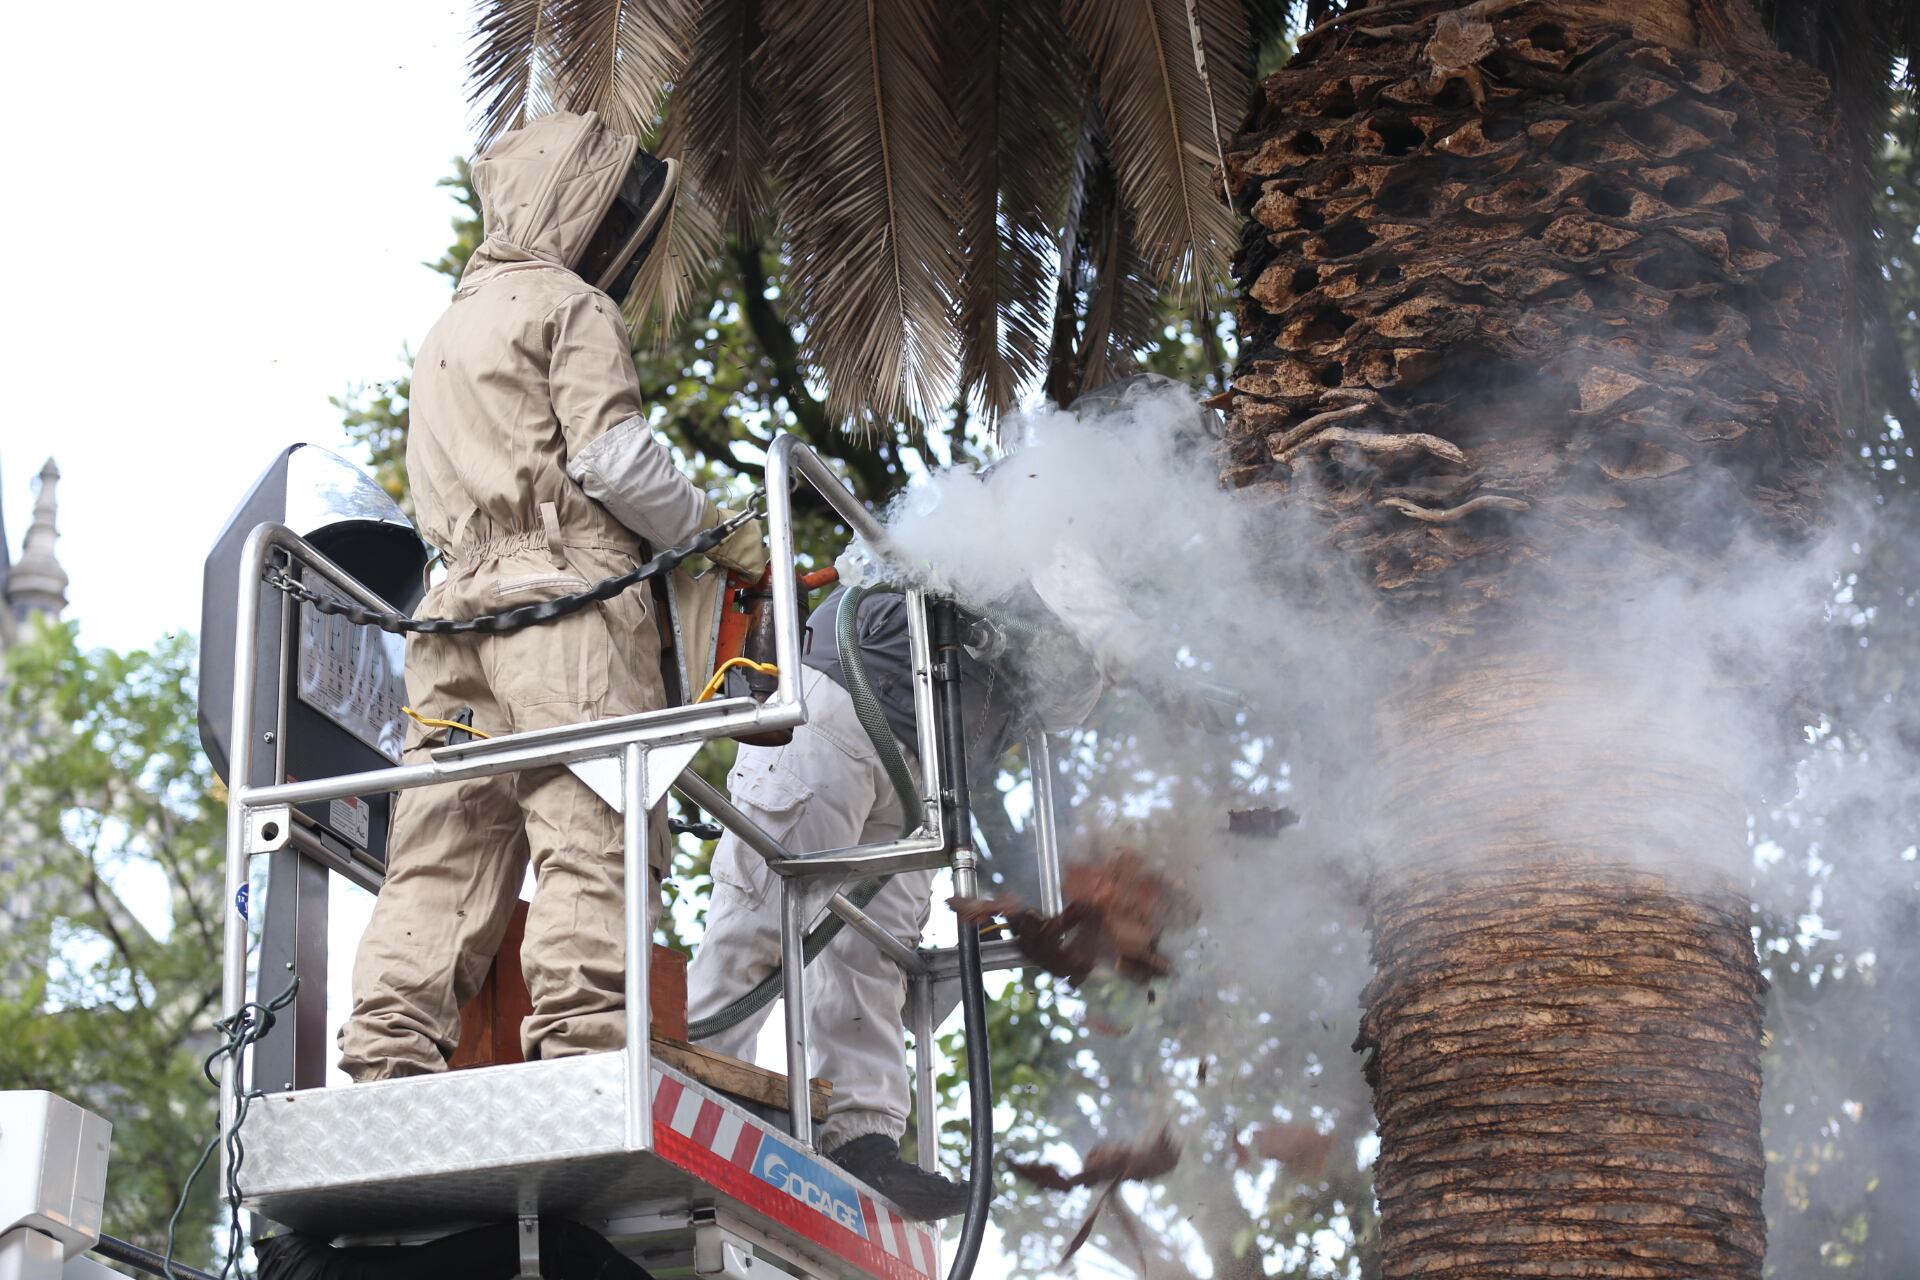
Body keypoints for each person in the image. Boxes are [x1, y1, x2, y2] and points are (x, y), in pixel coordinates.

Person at [684, 378, 1211, 1218]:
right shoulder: (1048, 493)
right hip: (841, 714)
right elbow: (1075, 586)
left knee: (877, 948)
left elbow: (1061, 704)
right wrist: (1153, 670)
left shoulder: (1109, 562)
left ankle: (862, 1140)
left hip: (925, 766)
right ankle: (701, 1080)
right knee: (764, 903)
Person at [338, 111, 766, 1081]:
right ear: (574, 204)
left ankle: (386, 1050)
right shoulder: (572, 308)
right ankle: (587, 1045)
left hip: (451, 623)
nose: (615, 242)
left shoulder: (447, 329)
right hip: (561, 611)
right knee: (593, 817)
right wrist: (712, 526)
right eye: (609, 217)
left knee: (444, 842)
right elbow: (615, 459)